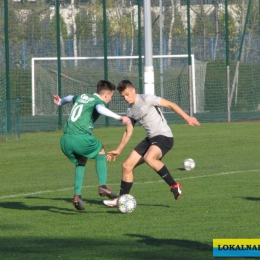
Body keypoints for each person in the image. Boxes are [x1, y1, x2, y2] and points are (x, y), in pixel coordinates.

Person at [103, 80, 200, 207]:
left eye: (127, 94)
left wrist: (187, 118)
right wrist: (119, 149)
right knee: (127, 166)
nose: (126, 98)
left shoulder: (147, 99)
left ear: (134, 90)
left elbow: (170, 104)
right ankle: (121, 199)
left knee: (149, 158)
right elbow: (128, 132)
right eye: (123, 96)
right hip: (150, 139)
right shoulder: (130, 111)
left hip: (164, 136)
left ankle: (174, 185)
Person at [53, 80, 130, 211]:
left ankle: (77, 195)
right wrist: (119, 117)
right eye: (111, 96)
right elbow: (100, 109)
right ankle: (103, 185)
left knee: (81, 160)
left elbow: (70, 97)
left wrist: (60, 102)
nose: (110, 100)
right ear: (106, 95)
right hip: (80, 138)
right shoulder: (97, 102)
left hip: (65, 140)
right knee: (101, 148)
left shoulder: (83, 96)